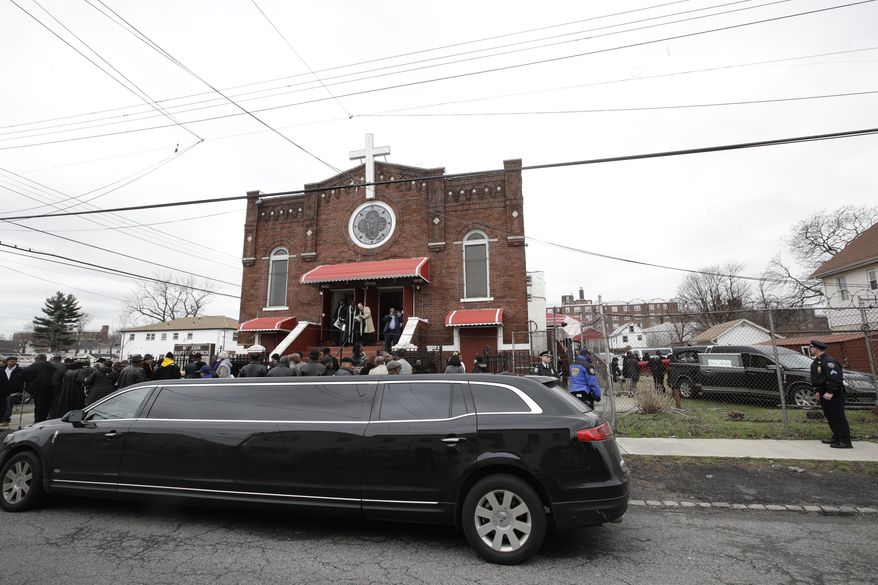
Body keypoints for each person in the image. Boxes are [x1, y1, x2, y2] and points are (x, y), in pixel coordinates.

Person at [810, 339, 852, 449]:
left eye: (811, 347)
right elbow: (818, 379)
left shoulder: (829, 362)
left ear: (816, 348)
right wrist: (818, 391)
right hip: (824, 392)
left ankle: (845, 441)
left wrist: (830, 391)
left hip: (833, 393)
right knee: (830, 416)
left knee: (838, 416)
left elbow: (836, 379)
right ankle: (836, 437)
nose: (810, 349)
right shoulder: (817, 361)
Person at [21, 354, 57, 423]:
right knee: (46, 406)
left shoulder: (35, 365)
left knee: (39, 406)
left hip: (38, 388)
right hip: (49, 388)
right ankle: (44, 419)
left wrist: (30, 383)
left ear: (38, 359)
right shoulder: (51, 366)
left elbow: (24, 373)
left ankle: (38, 420)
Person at [1, 356, 24, 426]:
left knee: (8, 406)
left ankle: (5, 420)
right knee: (2, 406)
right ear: (7, 362)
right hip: (2, 390)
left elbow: (22, 381)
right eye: (9, 361)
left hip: (12, 391)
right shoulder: (3, 369)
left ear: (15, 362)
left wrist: (20, 390)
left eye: (12, 361)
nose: (10, 362)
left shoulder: (19, 370)